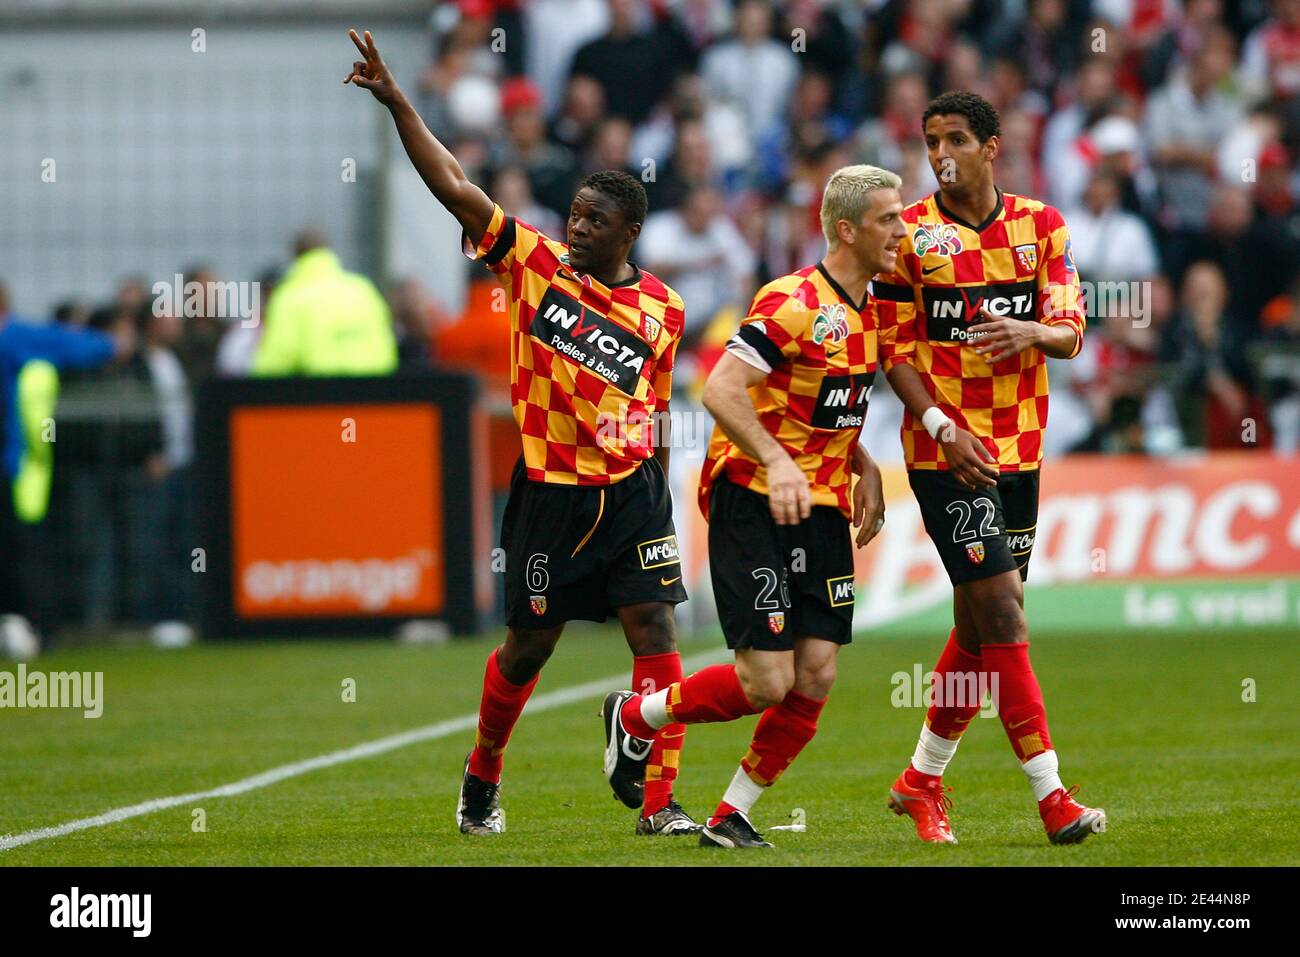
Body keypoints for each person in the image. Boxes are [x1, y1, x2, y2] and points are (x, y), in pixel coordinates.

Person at [346, 29, 697, 836]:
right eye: (574, 212)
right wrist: (400, 102)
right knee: (527, 649)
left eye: (594, 218)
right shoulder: (532, 264)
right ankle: (482, 774)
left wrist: (669, 493)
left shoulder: (664, 309)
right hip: (551, 495)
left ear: (628, 233)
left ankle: (659, 802)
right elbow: (456, 185)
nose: (576, 226)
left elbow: (656, 401)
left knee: (657, 630)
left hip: (634, 495)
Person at [603, 165, 897, 849]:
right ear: (847, 229)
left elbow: (824, 404)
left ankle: (731, 812)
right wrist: (776, 460)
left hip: (820, 503)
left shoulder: (877, 311)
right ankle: (638, 716)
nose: (902, 231)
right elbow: (722, 389)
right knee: (767, 679)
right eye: (889, 219)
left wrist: (864, 462)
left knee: (816, 672)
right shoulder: (789, 301)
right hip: (753, 496)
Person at [872, 92, 1106, 845]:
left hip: (1021, 448)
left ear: (992, 146)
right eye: (932, 140)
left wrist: (1029, 329)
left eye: (957, 139)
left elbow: (1071, 331)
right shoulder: (907, 235)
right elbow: (894, 349)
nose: (941, 153)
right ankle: (1053, 797)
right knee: (1004, 610)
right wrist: (939, 425)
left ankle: (920, 781)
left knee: (976, 629)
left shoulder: (1042, 225)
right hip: (947, 453)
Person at [0, 281, 132, 655]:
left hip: (14, 464)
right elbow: (68, 345)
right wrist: (110, 344)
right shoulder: (14, 338)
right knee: (27, 553)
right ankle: (42, 629)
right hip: (14, 465)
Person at [252, 229, 397, 377]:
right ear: (329, 252)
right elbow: (386, 346)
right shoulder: (364, 290)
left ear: (294, 256)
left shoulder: (289, 297)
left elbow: (275, 362)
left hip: (319, 396)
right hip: (375, 394)